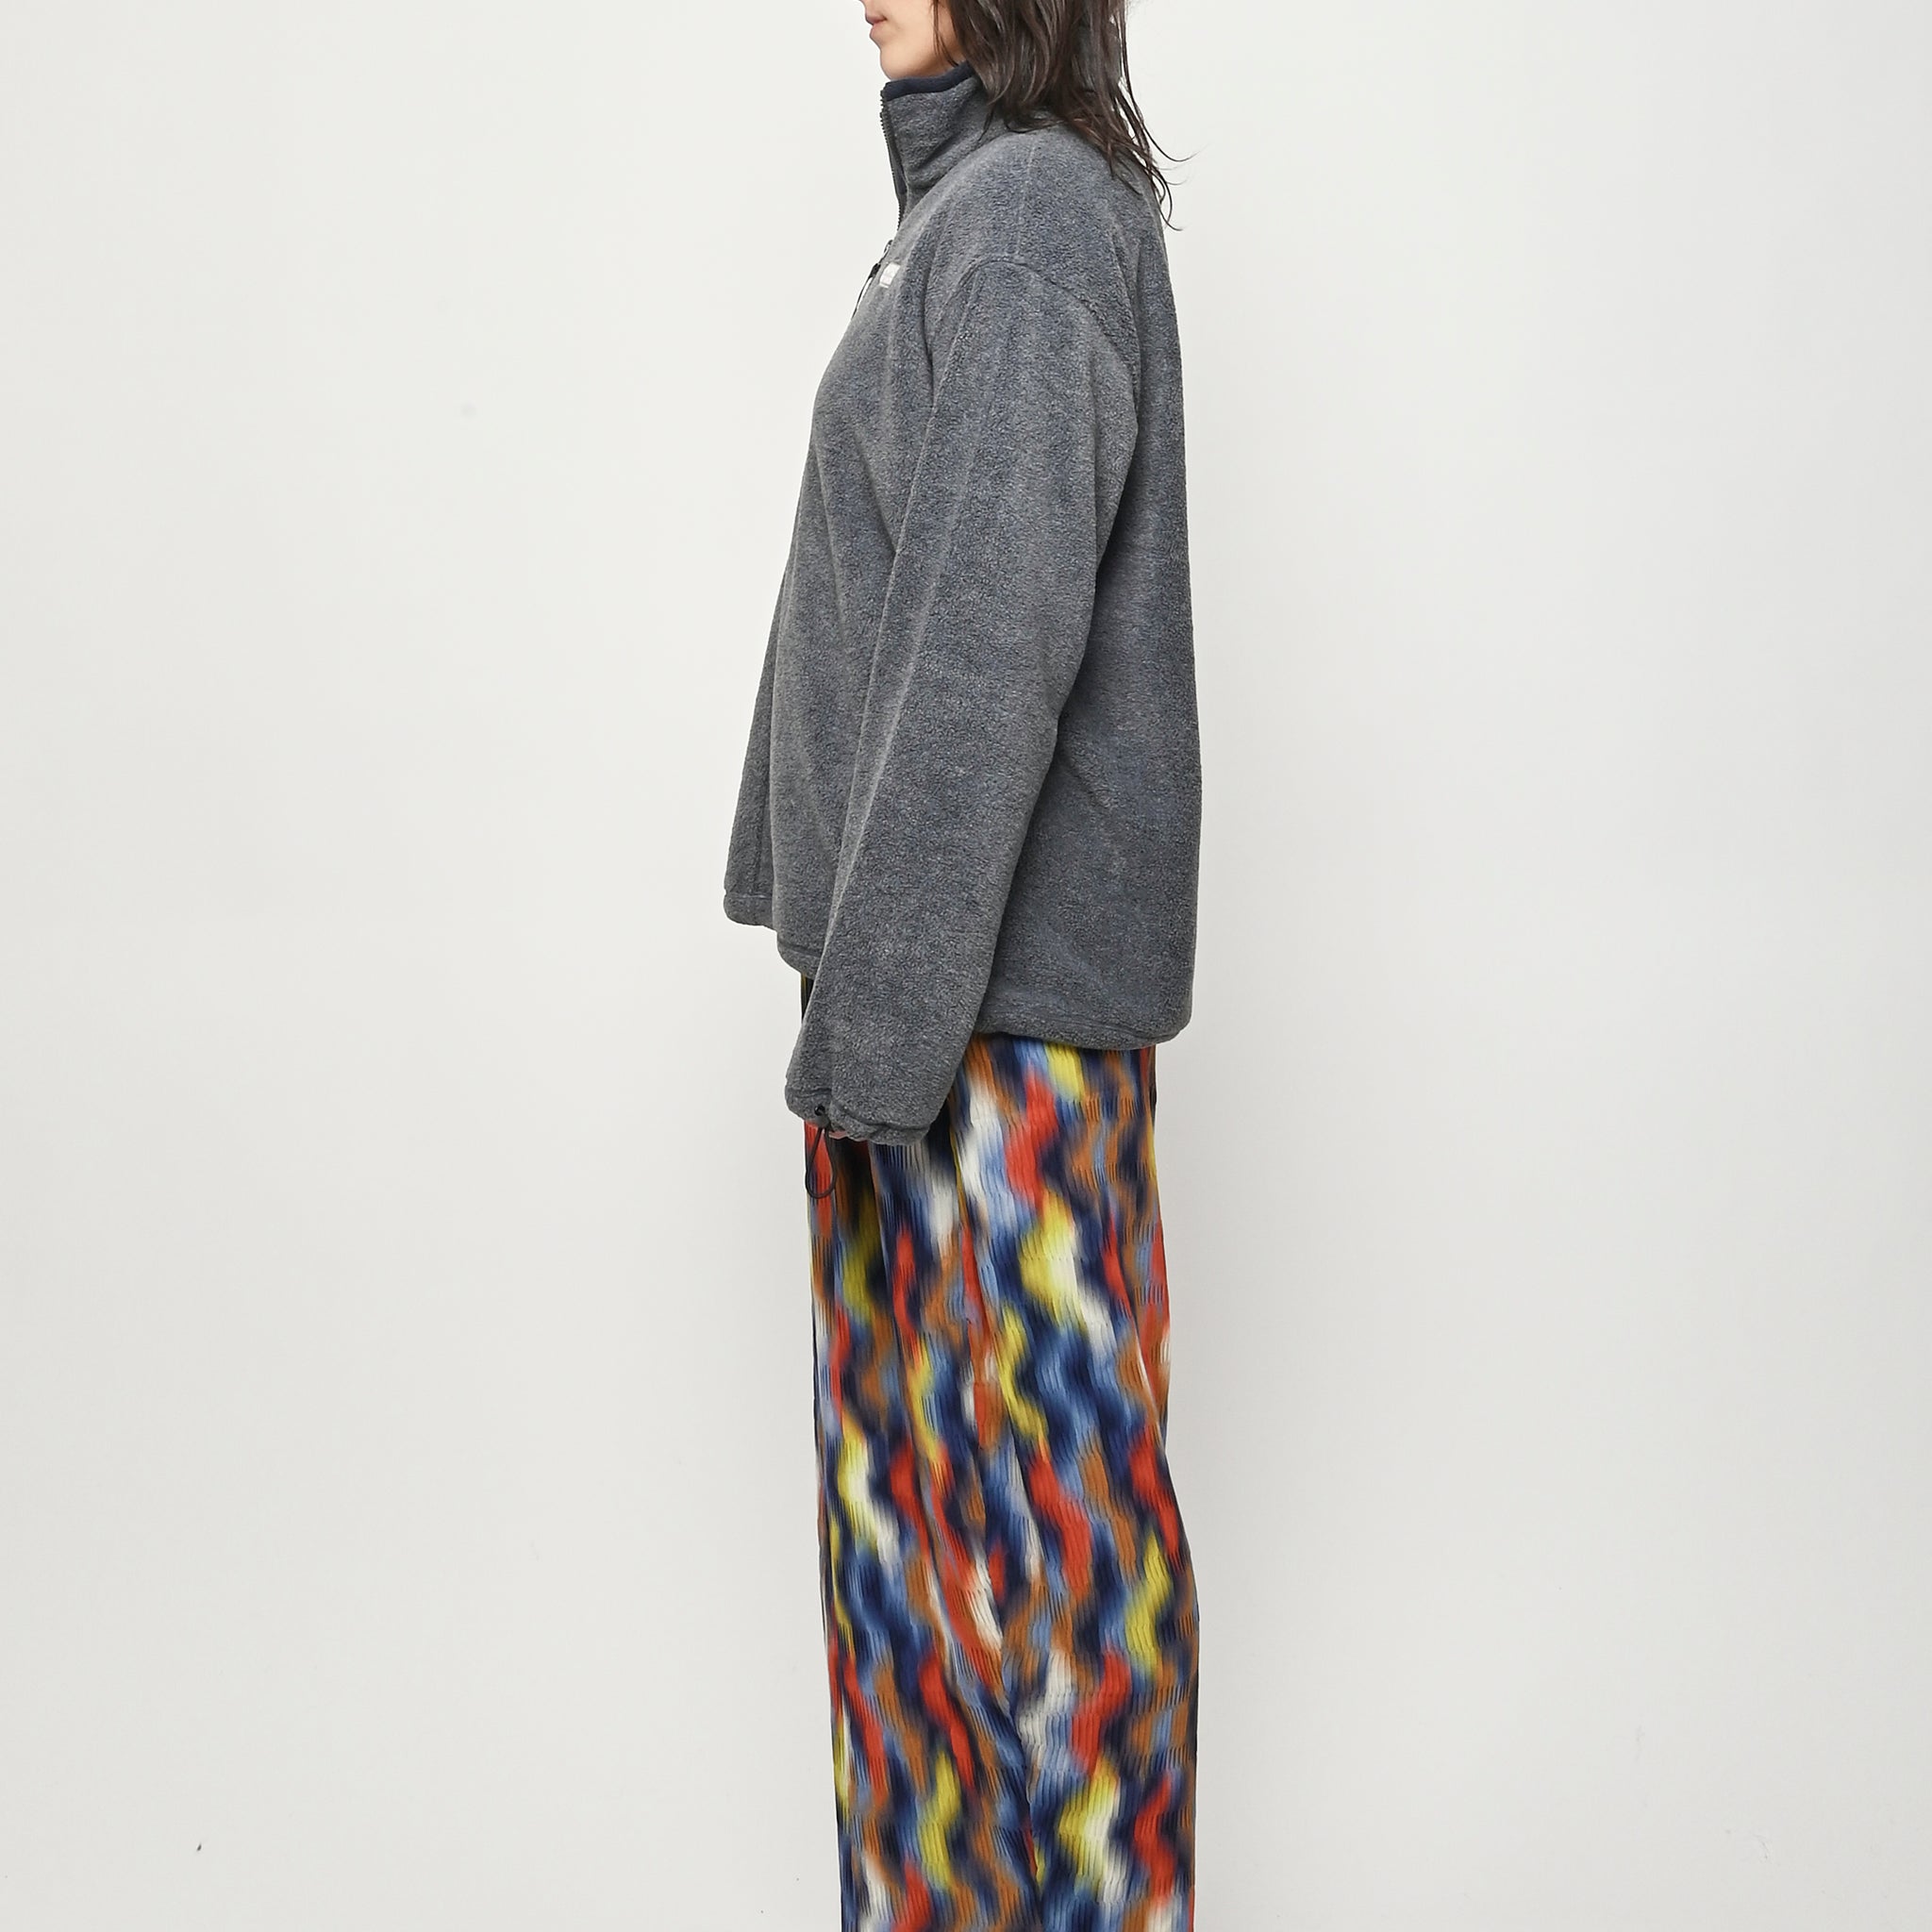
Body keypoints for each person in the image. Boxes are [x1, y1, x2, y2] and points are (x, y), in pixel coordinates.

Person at [722, 1, 1202, 1924]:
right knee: (915, 1600)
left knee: (1058, 1606)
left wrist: (875, 1029)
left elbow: (982, 659)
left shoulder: (1028, 230)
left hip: (990, 1039)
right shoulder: (974, 216)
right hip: (926, 1012)